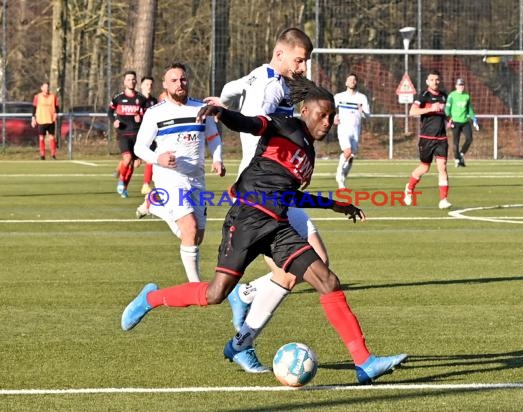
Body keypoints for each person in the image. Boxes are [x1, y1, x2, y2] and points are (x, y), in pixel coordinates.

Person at [121, 75, 408, 385]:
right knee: (216, 294)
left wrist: (332, 204)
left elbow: (288, 194)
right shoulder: (286, 125)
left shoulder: (308, 154)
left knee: (327, 279)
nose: (327, 122)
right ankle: (151, 299)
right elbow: (251, 123)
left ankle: (364, 362)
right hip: (246, 219)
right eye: (322, 114)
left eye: (331, 116)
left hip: (277, 227)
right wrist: (223, 114)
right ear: (304, 110)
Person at [204, 27, 330, 370]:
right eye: (300, 60)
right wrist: (227, 113)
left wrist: (221, 100)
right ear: (280, 54)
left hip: (276, 186)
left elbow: (233, 87)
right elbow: (256, 124)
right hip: (265, 190)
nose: (303, 67)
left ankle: (244, 303)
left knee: (306, 269)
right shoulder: (271, 86)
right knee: (302, 271)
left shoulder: (265, 76)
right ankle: (242, 334)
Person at [134, 63, 225, 283]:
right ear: (165, 85)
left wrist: (217, 158)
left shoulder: (200, 109)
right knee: (190, 227)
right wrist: (159, 158)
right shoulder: (155, 113)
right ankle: (195, 285)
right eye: (173, 80)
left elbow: (212, 137)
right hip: (169, 177)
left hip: (196, 177)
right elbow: (139, 147)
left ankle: (155, 204)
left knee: (195, 237)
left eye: (183, 79)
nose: (179, 84)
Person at [403, 70, 452, 210]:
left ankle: (443, 200)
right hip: (426, 138)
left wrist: (450, 120)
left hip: (441, 138)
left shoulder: (444, 96)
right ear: (427, 81)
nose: (435, 82)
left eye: (437, 79)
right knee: (424, 167)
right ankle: (409, 188)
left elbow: (446, 114)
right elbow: (412, 112)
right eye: (432, 80)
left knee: (442, 167)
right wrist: (430, 108)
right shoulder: (424, 96)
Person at [107, 70, 147, 198]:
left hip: (137, 135)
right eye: (128, 79)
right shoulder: (118, 97)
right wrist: (115, 121)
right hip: (123, 134)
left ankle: (124, 187)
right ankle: (121, 181)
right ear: (124, 82)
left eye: (133, 79)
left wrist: (140, 119)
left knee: (134, 164)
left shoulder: (141, 99)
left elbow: (146, 116)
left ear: (136, 81)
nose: (131, 81)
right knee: (127, 158)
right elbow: (109, 112)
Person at [333, 73, 370, 189]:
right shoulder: (339, 96)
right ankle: (339, 175)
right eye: (350, 80)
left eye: (354, 80)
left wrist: (362, 110)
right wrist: (334, 117)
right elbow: (330, 111)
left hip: (355, 130)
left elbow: (368, 115)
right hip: (343, 129)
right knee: (347, 152)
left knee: (351, 156)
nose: (352, 81)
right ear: (346, 83)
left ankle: (343, 177)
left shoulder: (362, 98)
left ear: (356, 82)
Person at [445, 78, 479, 167]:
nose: (461, 87)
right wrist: (449, 119)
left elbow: (469, 109)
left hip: (464, 121)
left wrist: (474, 119)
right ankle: (457, 159)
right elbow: (447, 109)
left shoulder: (466, 96)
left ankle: (461, 154)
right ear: (456, 86)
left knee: (469, 138)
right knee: (455, 142)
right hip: (455, 122)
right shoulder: (452, 96)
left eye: (462, 85)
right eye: (459, 85)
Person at [139, 76, 159, 195]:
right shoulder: (135, 99)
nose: (149, 86)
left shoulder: (154, 102)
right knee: (131, 161)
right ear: (141, 86)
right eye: (147, 84)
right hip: (134, 133)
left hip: (149, 135)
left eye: (151, 84)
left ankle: (146, 184)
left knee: (151, 159)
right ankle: (121, 178)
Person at [31, 82, 60, 160]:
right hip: (41, 120)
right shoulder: (37, 97)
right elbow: (34, 108)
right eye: (45, 87)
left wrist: (56, 114)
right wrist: (33, 118)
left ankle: (53, 155)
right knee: (41, 138)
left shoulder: (53, 97)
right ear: (42, 88)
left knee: (52, 138)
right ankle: (42, 155)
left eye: (47, 87)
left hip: (50, 120)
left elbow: (57, 107)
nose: (46, 89)